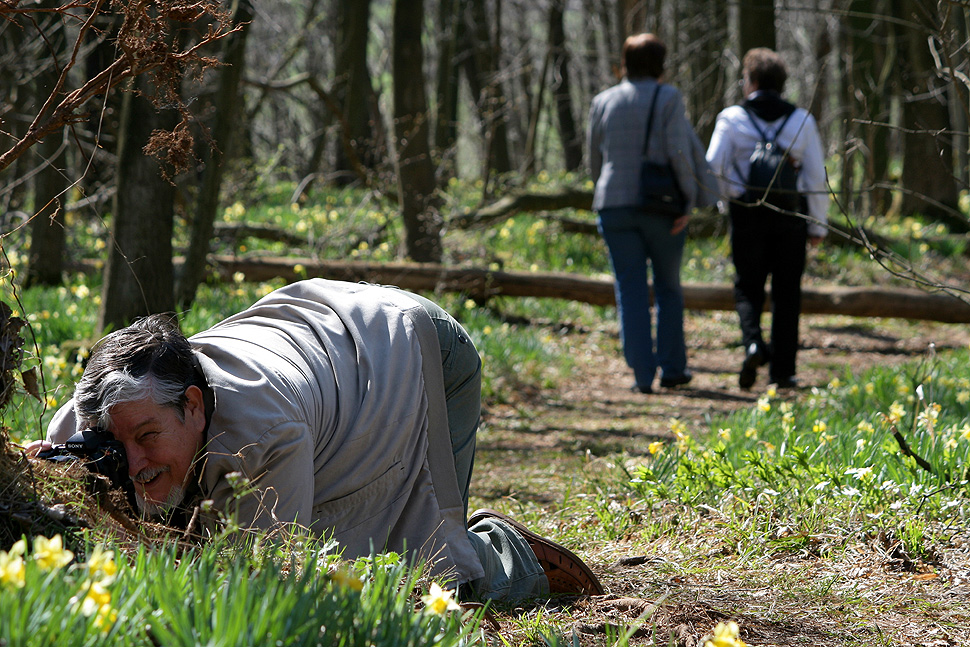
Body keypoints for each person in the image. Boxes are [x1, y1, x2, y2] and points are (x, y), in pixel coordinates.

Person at [32, 278, 603, 601]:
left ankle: (508, 555)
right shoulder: (87, 430)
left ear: (194, 406)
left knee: (418, 584)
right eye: (115, 443)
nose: (131, 462)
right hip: (327, 347)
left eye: (148, 436)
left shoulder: (262, 434)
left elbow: (262, 583)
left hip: (413, 352)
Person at [587, 33, 718, 395]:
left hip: (613, 205)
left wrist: (605, 192)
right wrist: (688, 201)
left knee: (628, 290)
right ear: (661, 64)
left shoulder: (602, 100)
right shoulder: (668, 97)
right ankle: (673, 369)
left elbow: (593, 160)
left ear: (625, 62)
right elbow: (679, 151)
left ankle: (642, 376)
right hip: (661, 207)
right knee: (668, 289)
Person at [705, 48, 829, 390]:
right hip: (791, 215)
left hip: (747, 214)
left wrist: (730, 197)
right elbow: (816, 177)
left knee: (748, 286)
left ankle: (753, 344)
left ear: (751, 81)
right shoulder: (802, 119)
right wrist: (817, 225)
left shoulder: (732, 117)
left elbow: (713, 164)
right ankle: (783, 371)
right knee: (788, 291)